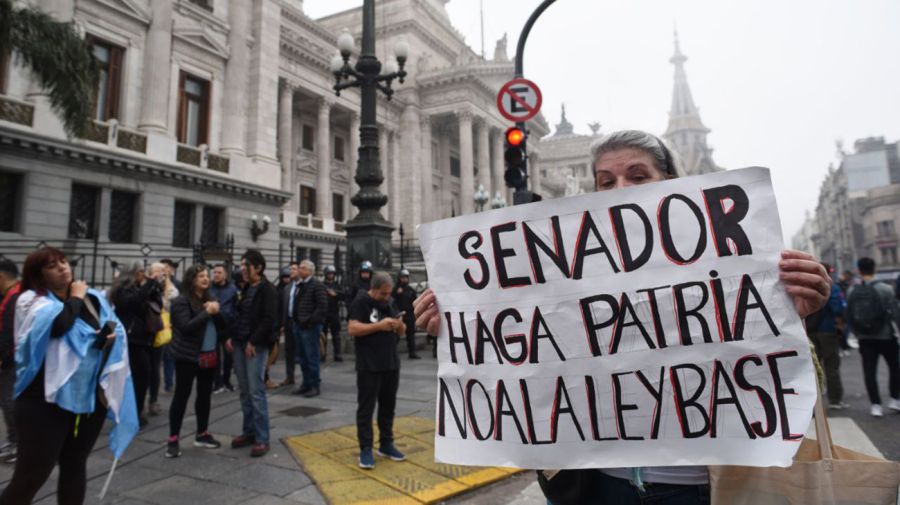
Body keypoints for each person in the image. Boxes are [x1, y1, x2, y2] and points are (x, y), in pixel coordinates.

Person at [412, 130, 832, 505]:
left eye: (638, 175)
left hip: (697, 486)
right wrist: (458, 329)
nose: (621, 188)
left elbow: (793, 383)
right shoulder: (561, 273)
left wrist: (796, 316)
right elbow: (531, 356)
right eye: (606, 181)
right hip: (599, 485)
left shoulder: (732, 262)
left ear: (670, 182)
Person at [0, 247, 137, 505]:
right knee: (32, 475)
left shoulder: (92, 299)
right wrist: (75, 297)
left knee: (75, 465)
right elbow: (58, 327)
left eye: (63, 262)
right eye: (53, 266)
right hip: (43, 400)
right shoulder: (31, 300)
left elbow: (105, 332)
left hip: (86, 398)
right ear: (39, 275)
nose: (63, 267)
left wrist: (104, 340)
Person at [348, 271, 407, 469]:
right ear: (373, 289)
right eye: (382, 293)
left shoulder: (390, 302)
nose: (386, 297)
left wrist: (398, 325)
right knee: (366, 407)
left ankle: (386, 443)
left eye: (388, 293)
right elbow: (353, 329)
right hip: (369, 364)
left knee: (388, 406)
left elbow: (402, 330)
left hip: (391, 362)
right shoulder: (360, 302)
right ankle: (366, 448)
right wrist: (379, 326)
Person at [166, 265, 226, 458]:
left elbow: (223, 326)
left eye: (207, 276)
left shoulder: (212, 299)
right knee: (182, 396)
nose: (206, 279)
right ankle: (173, 438)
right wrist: (206, 312)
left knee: (204, 395)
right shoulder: (180, 301)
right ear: (191, 279)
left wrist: (217, 312)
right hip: (188, 355)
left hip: (209, 354)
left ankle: (202, 433)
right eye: (201, 276)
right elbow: (185, 327)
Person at [227, 249, 277, 457]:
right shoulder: (247, 288)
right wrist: (231, 336)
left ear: (258, 267)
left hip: (254, 346)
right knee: (244, 390)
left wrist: (253, 341)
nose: (242, 270)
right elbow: (240, 315)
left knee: (256, 391)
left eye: (245, 265)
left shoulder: (268, 289)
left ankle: (262, 437)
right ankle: (249, 431)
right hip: (239, 343)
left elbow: (269, 319)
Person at [110, 260, 164, 425]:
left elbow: (156, 306)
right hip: (130, 338)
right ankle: (132, 414)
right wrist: (150, 284)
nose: (144, 274)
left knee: (143, 375)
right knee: (139, 376)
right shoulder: (121, 290)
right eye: (141, 271)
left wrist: (154, 288)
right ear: (132, 273)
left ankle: (136, 412)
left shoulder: (141, 288)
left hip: (144, 337)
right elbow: (131, 303)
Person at [847, 257, 900, 417]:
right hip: (885, 336)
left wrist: (856, 333)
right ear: (874, 269)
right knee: (894, 368)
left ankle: (875, 405)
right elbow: (895, 314)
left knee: (869, 371)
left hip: (864, 338)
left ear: (859, 270)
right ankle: (894, 399)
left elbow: (849, 315)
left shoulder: (852, 291)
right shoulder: (886, 289)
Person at [805, 263, 846, 409]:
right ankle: (835, 400)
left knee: (812, 367)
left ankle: (813, 402)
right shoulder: (831, 287)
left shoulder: (806, 286)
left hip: (809, 332)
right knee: (831, 366)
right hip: (827, 331)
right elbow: (838, 308)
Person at [290, 260, 327, 397]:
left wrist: (310, 322)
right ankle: (306, 384)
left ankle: (314, 385)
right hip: (298, 325)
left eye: (303, 268)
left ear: (310, 271)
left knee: (312, 357)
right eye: (299, 268)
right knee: (302, 357)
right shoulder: (301, 285)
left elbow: (322, 306)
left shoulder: (317, 285)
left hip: (309, 327)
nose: (299, 270)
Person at [147, 262, 179, 417]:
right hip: (144, 332)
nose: (159, 275)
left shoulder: (168, 289)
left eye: (162, 273)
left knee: (154, 367)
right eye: (156, 272)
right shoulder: (145, 286)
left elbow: (168, 304)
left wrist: (166, 283)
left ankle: (153, 400)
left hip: (159, 331)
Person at [0, 258, 21, 463]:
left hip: (12, 358)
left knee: (9, 401)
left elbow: (8, 333)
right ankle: (14, 440)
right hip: (12, 357)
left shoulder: (14, 298)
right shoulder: (13, 295)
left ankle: (17, 444)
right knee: (7, 400)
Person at [210, 264, 238, 393]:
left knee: (228, 356)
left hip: (228, 327)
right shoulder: (209, 288)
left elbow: (237, 307)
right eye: (214, 272)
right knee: (214, 355)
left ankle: (226, 381)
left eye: (219, 272)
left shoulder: (233, 289)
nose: (216, 275)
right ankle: (217, 382)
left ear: (225, 274)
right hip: (213, 326)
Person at [279, 263, 300, 386]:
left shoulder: (303, 286)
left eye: (294, 269)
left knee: (303, 351)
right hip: (289, 322)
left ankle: (309, 381)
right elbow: (284, 307)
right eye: (290, 269)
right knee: (289, 350)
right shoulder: (287, 288)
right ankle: (289, 376)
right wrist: (283, 323)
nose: (291, 271)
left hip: (300, 323)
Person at [392, 269, 420, 359]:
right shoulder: (395, 289)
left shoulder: (410, 290)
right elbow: (391, 301)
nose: (404, 280)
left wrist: (415, 316)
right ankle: (392, 352)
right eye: (402, 278)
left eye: (405, 278)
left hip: (409, 314)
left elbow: (415, 302)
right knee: (396, 335)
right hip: (399, 314)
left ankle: (412, 352)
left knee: (411, 334)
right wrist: (397, 293)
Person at [322, 265, 345, 362]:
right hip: (323, 312)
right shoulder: (322, 285)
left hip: (334, 312)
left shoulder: (337, 285)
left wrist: (336, 294)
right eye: (329, 274)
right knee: (323, 335)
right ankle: (322, 354)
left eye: (332, 274)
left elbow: (343, 295)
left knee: (336, 334)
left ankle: (337, 354)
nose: (330, 275)